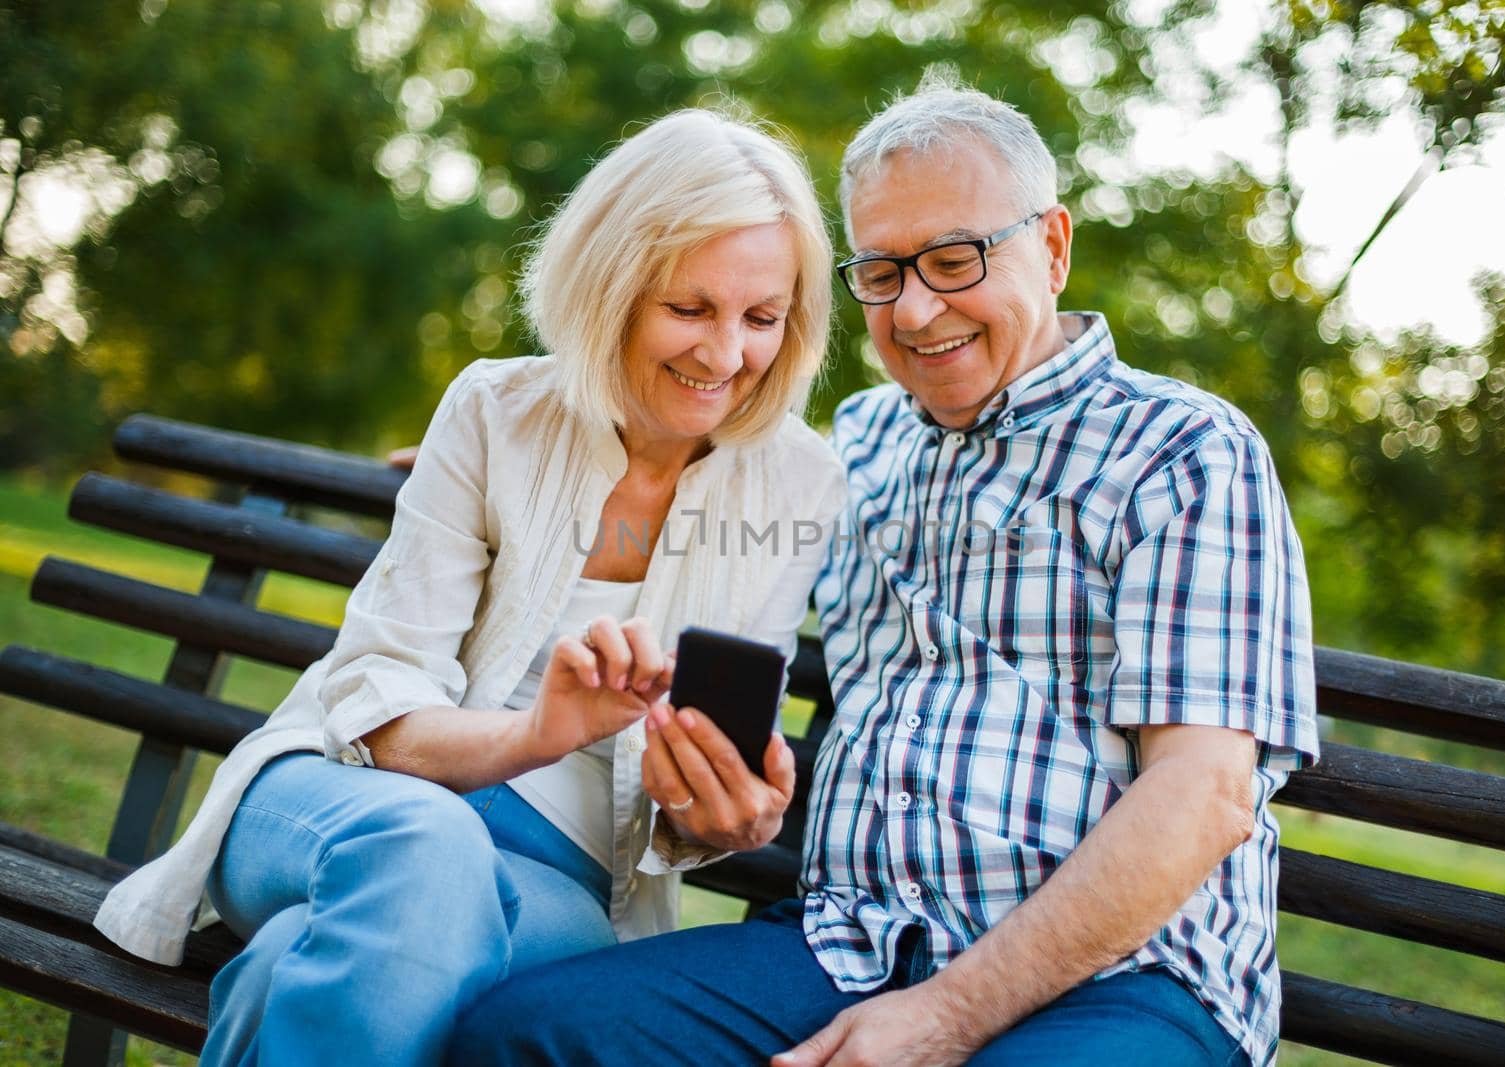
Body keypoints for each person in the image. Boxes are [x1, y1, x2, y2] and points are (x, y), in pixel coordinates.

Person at [447, 77, 1319, 1067]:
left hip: (1121, 978)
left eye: (955, 259)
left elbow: (1201, 794)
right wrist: (500, 466)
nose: (915, 307)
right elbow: (672, 470)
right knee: (521, 1040)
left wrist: (946, 1012)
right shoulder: (847, 450)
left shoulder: (1181, 449)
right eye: (881, 271)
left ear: (1054, 245)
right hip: (849, 942)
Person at [90, 108, 847, 1066]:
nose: (725, 354)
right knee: (426, 852)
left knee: (302, 959)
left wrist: (714, 815)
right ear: (610, 286)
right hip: (348, 801)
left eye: (762, 317)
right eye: (688, 308)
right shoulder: (498, 412)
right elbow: (378, 695)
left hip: (562, 884)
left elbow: (703, 779)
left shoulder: (799, 481)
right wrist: (540, 734)